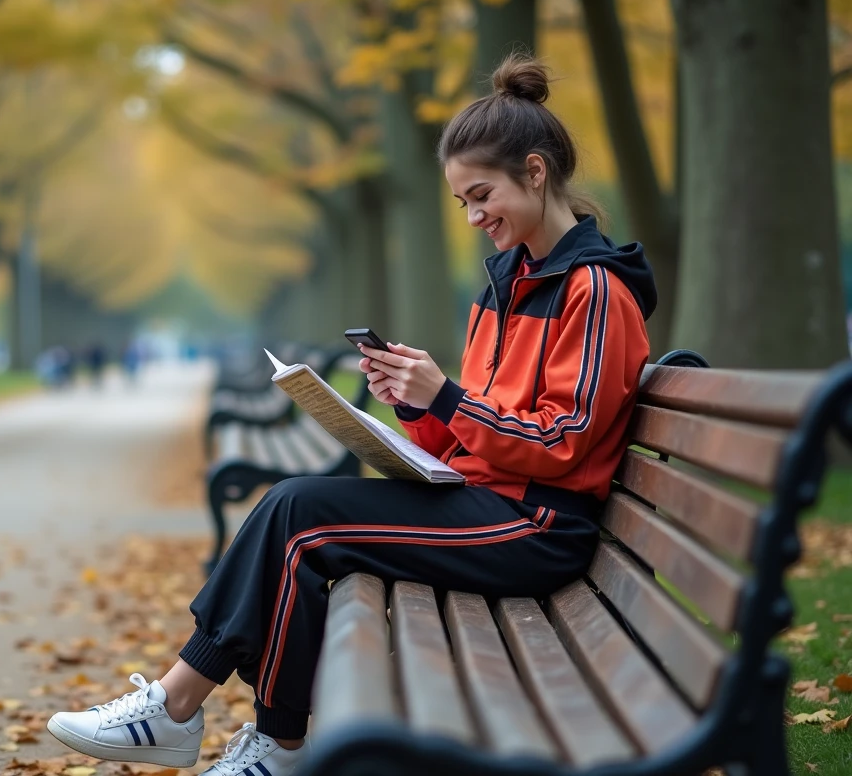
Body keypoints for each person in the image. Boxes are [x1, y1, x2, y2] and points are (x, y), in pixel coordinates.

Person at [44, 54, 655, 775]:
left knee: (305, 523)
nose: (472, 216)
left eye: (481, 194)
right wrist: (413, 408)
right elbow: (475, 437)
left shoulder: (594, 292)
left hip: (539, 528)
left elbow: (559, 443)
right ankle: (242, 730)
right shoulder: (506, 285)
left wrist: (447, 397)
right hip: (492, 503)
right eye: (461, 201)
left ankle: (221, 725)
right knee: (292, 507)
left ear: (535, 171)